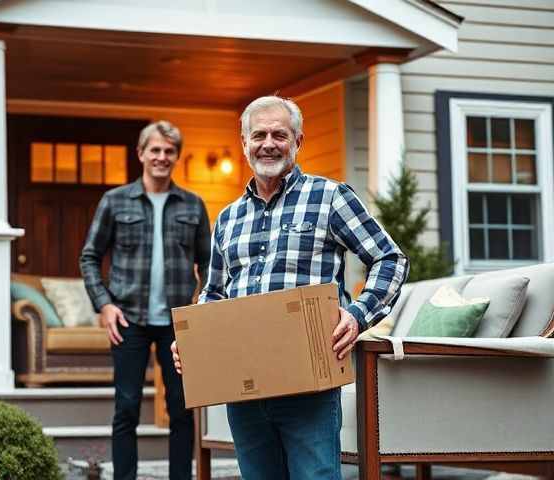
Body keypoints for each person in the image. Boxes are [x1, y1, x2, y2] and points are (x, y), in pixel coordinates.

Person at [171, 96, 409, 480]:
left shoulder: (330, 197)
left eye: (279, 134)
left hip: (310, 383)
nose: (269, 143)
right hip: (243, 386)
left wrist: (357, 314)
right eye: (259, 134)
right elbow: (213, 293)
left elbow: (390, 258)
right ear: (244, 142)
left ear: (298, 141)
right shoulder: (228, 217)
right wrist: (193, 343)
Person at [80, 120, 211, 480]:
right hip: (128, 320)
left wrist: (200, 309)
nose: (162, 157)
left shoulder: (193, 205)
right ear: (141, 154)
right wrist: (104, 305)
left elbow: (210, 262)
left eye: (169, 151)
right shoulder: (115, 201)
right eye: (155, 150)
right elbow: (90, 255)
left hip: (177, 323)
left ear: (176, 157)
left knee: (182, 409)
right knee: (126, 408)